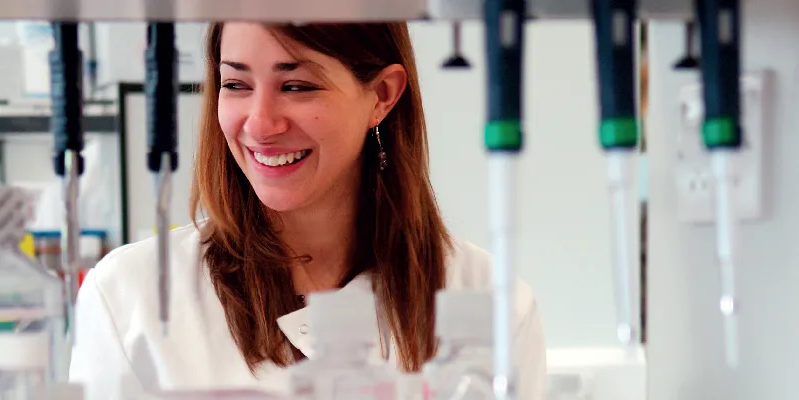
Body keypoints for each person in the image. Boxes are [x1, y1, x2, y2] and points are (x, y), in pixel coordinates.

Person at [68, 22, 546, 399]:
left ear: (382, 95)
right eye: (235, 84)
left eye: (296, 86)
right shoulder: (130, 296)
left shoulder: (490, 303)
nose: (260, 123)